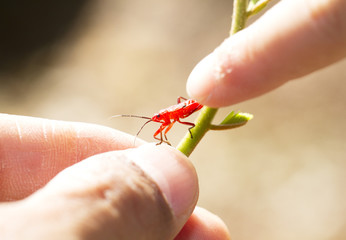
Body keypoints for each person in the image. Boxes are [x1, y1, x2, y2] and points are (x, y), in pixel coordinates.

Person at [0, 0, 345, 239]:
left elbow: (179, 113)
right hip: (189, 111)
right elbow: (165, 125)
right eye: (156, 123)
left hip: (191, 107)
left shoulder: (172, 116)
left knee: (192, 104)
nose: (157, 124)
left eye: (157, 122)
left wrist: (180, 122)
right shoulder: (163, 121)